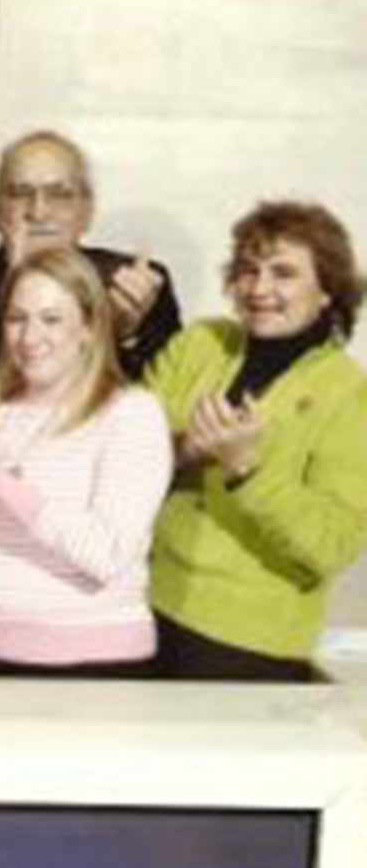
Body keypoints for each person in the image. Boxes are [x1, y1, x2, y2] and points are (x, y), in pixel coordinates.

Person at [0, 246, 172, 675]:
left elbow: (103, 556)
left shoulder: (132, 413)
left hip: (93, 667)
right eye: (17, 319)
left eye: (51, 319)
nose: (30, 338)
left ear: (89, 327)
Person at [146, 201, 367, 682]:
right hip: (144, 606)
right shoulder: (199, 343)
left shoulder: (349, 393)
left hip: (249, 642)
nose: (260, 288)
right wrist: (185, 451)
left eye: (284, 273)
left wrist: (247, 469)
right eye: (248, 270)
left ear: (328, 289)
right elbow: (117, 454)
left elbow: (332, 545)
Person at [0, 129, 181, 388]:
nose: (38, 212)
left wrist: (121, 334)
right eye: (21, 194)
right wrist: (19, 286)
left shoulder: (132, 288)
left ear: (86, 210)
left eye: (59, 195)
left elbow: (160, 402)